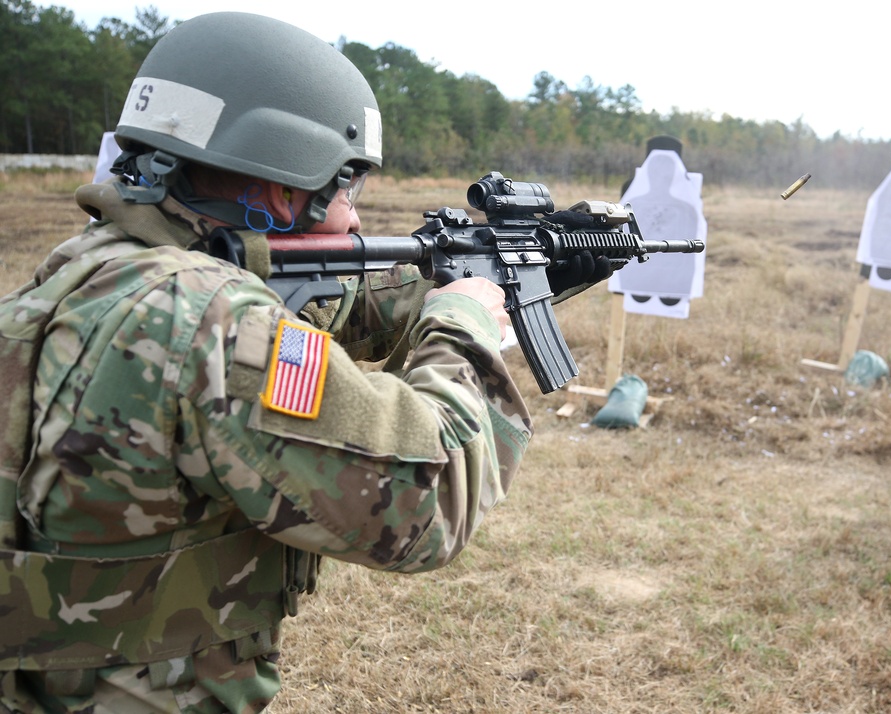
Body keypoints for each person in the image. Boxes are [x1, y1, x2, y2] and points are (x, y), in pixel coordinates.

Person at [0, 12, 609, 713]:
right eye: (346, 187)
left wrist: (515, 271)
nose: (353, 219)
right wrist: (465, 324)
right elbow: (423, 502)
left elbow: (337, 302)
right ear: (281, 186)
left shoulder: (83, 273)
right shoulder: (212, 319)